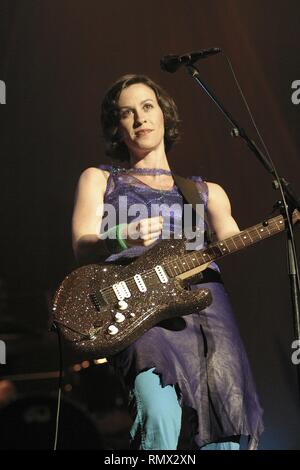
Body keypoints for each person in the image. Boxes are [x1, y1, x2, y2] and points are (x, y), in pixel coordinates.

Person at [71, 74, 264, 450]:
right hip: (139, 306)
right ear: (118, 127)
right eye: (127, 113)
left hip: (206, 305)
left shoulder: (204, 191)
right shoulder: (100, 179)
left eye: (147, 107)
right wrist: (124, 235)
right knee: (159, 413)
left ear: (163, 114)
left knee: (222, 425)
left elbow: (231, 236)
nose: (139, 118)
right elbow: (82, 245)